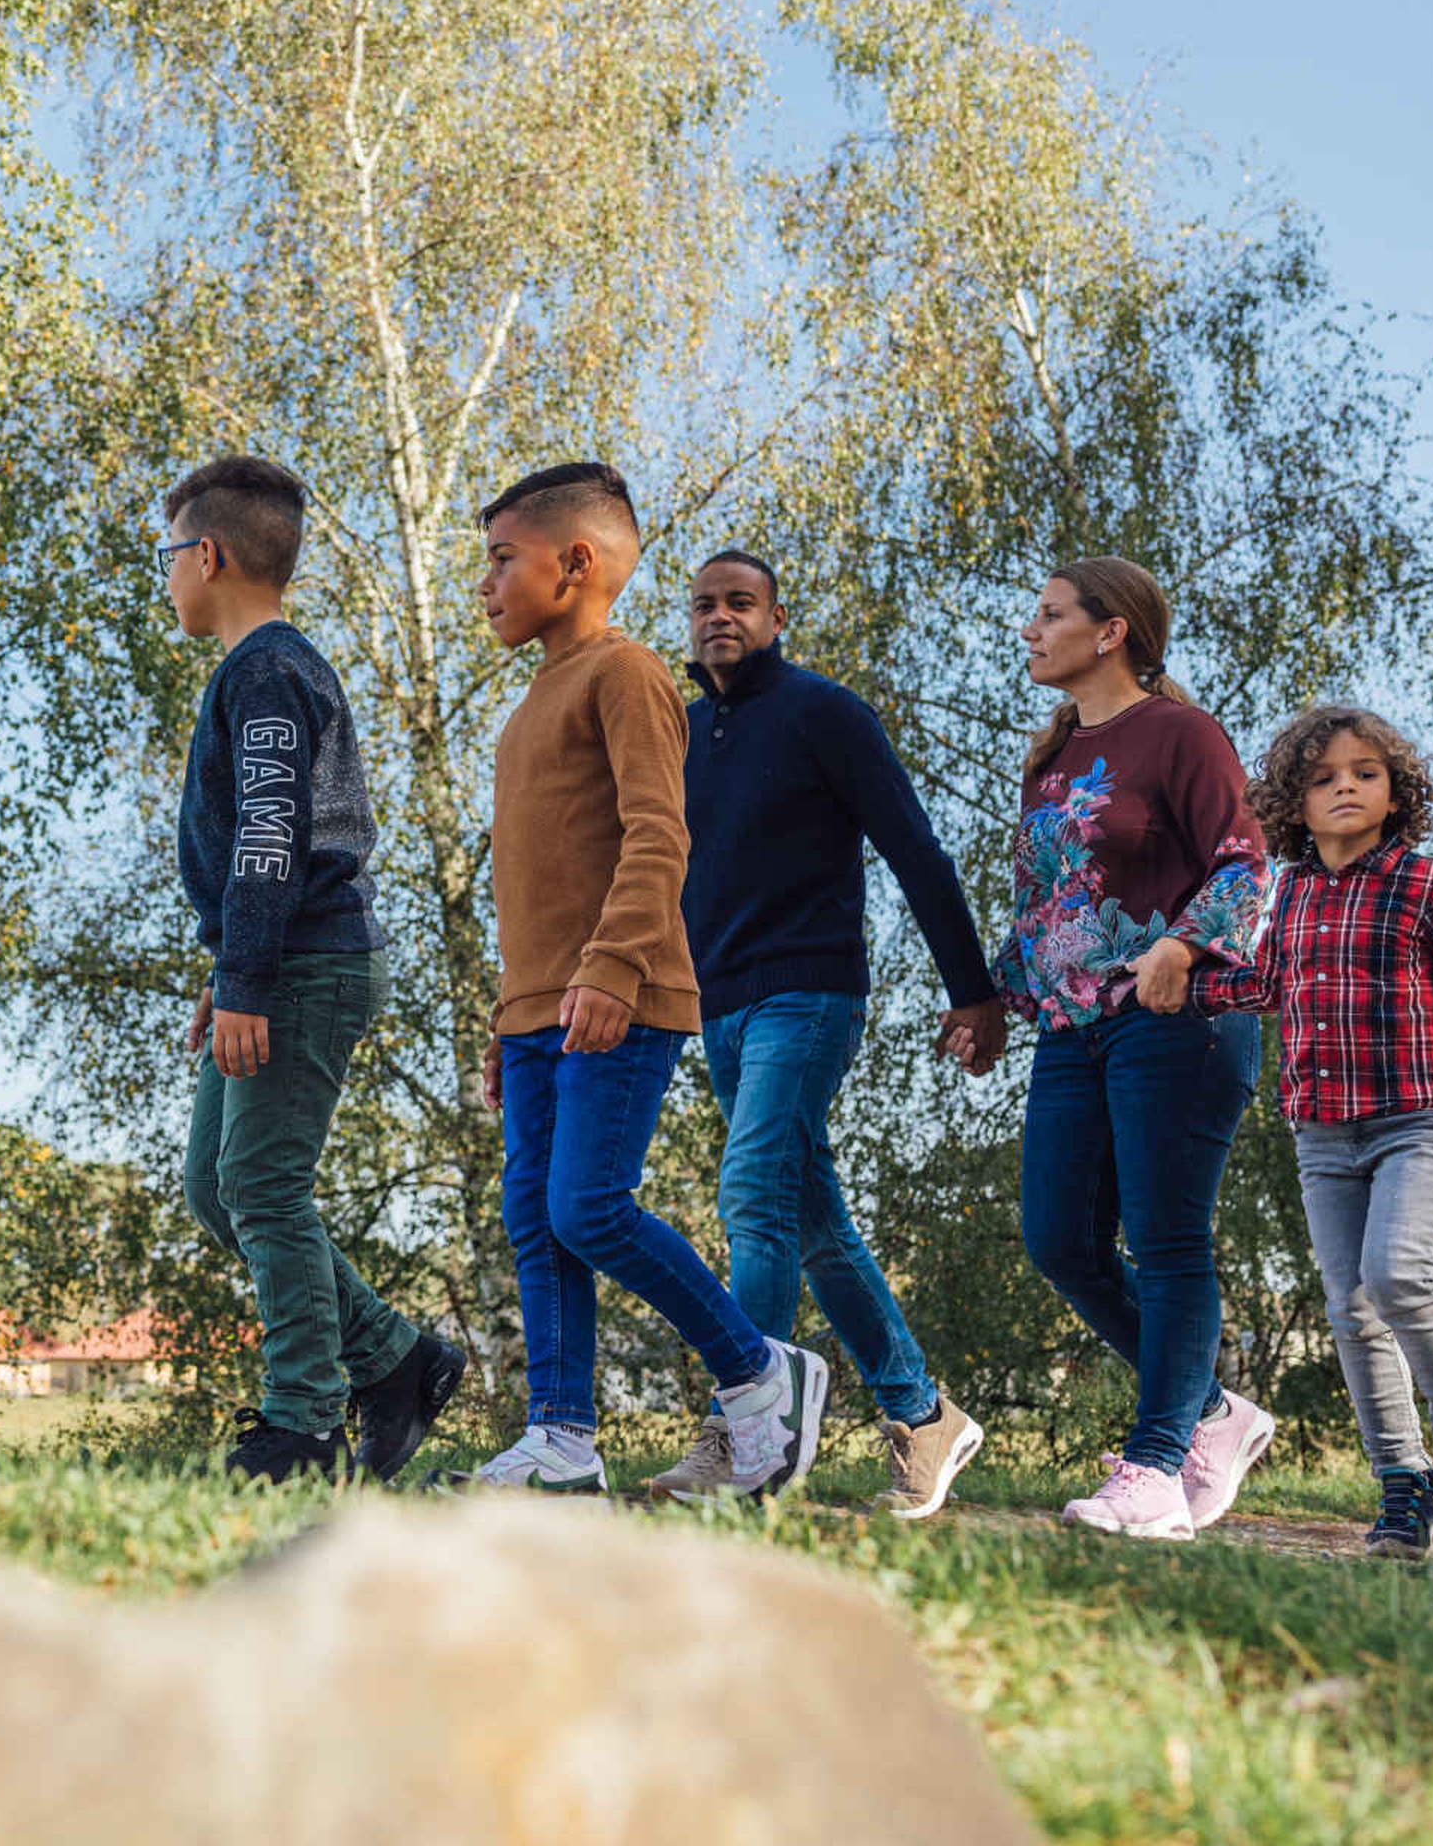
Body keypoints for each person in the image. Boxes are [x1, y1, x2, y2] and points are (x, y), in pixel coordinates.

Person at [464, 465, 832, 1500]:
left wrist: (614, 966)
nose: (487, 586)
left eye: (502, 561)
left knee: (588, 1207)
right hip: (542, 1004)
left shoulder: (625, 675)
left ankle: (760, 1374)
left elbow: (657, 835)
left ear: (575, 564)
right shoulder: (534, 696)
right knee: (536, 1217)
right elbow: (537, 882)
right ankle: (562, 1438)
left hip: (618, 994)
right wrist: (511, 1010)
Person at [1180, 705, 1433, 1554]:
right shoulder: (1296, 891)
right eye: (1321, 779)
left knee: (1398, 1275)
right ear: (1293, 805)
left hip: (1419, 1119)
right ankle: (1401, 1482)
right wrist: (1183, 985)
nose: (1344, 788)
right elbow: (1266, 985)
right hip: (1322, 1133)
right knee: (1350, 1311)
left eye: (1365, 773)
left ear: (1396, 792)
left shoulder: (1428, 884)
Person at [675, 549, 1006, 1518]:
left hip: (810, 995)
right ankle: (922, 1410)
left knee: (752, 1198)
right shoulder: (684, 730)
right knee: (811, 1219)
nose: (720, 618)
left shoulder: (825, 713)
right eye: (703, 605)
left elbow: (916, 849)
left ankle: (745, 1430)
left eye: (740, 603)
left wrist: (971, 992)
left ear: (777, 618)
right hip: (717, 1004)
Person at [161, 454, 468, 1484]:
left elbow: (270, 833)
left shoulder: (268, 671)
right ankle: (396, 1358)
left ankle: (302, 1422)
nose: (167, 576)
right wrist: (227, 971)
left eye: (169, 557)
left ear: (206, 556)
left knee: (261, 1182)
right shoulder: (263, 671)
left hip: (303, 964)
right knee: (216, 1187)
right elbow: (264, 842)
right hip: (267, 959)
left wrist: (249, 977)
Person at [997, 557, 1274, 1541]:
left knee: (1165, 1242)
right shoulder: (1052, 757)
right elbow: (1044, 903)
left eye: (1049, 614)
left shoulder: (1181, 735)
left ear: (1111, 631)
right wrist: (995, 995)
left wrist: (1181, 942)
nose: (1030, 630)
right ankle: (1209, 1412)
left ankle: (1157, 1466)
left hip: (1175, 1019)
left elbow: (1245, 858)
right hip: (1071, 1028)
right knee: (1060, 1238)